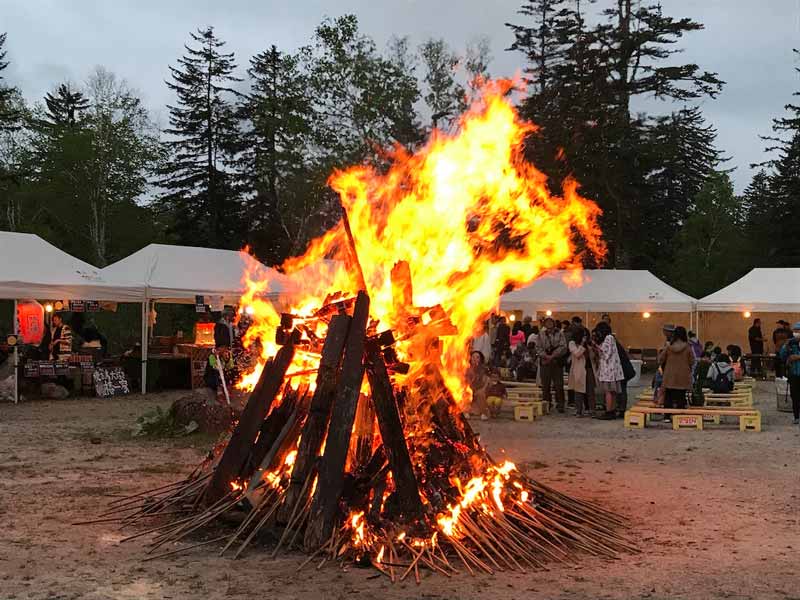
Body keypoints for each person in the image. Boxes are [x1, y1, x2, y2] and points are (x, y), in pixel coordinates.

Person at [658, 326, 695, 423]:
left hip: (669, 375)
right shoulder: (688, 347)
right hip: (683, 376)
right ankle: (680, 416)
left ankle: (667, 416)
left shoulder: (668, 346)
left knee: (668, 396)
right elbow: (692, 361)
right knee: (680, 397)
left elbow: (661, 359)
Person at [592, 321, 623, 420]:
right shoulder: (610, 338)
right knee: (612, 392)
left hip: (610, 371)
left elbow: (606, 354)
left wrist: (595, 345)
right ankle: (612, 410)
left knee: (608, 391)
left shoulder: (608, 338)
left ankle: (609, 411)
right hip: (611, 370)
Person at [536, 317, 567, 412]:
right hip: (545, 362)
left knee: (558, 385)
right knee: (545, 385)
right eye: (547, 322)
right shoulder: (541, 334)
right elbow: (538, 347)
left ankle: (560, 404)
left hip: (556, 362)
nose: (549, 324)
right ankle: (547, 404)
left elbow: (563, 346)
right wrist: (545, 356)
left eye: (551, 322)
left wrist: (553, 355)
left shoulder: (560, 334)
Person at [568, 326, 594, 417]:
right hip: (579, 369)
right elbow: (577, 354)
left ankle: (591, 409)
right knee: (578, 390)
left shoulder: (588, 344)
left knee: (590, 390)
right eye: (583, 335)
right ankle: (578, 410)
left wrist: (590, 346)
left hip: (589, 368)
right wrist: (582, 344)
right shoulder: (572, 343)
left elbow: (593, 356)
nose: (585, 337)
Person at [777, 322, 800, 424]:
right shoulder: (791, 343)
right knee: (794, 395)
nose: (796, 333)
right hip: (793, 373)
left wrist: (798, 357)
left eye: (798, 331)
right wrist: (785, 347)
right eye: (794, 331)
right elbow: (782, 356)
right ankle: (796, 417)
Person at [466, 350, 490, 420]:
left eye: (477, 357)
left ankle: (484, 413)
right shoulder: (466, 368)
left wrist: (483, 388)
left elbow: (487, 380)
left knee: (480, 393)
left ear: (480, 359)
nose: (475, 359)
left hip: (480, 388)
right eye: (473, 357)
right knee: (466, 393)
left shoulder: (483, 369)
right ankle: (466, 411)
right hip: (470, 388)